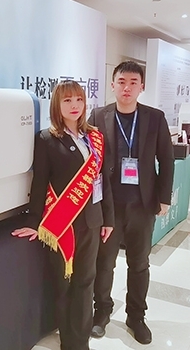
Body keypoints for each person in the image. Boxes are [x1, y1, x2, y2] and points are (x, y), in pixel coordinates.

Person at [12, 80, 114, 350]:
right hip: (62, 225)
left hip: (92, 221)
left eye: (79, 99)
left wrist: (108, 219)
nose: (74, 105)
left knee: (86, 282)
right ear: (57, 104)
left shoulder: (95, 137)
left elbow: (102, 181)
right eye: (67, 100)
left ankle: (81, 341)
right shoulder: (47, 138)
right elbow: (40, 182)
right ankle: (69, 341)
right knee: (65, 284)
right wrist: (33, 222)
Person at [88, 61, 175, 345]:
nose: (127, 88)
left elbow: (166, 158)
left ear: (142, 87)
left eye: (133, 82)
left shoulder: (155, 117)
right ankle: (101, 312)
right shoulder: (98, 115)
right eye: (122, 82)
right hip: (109, 206)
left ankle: (136, 317)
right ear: (112, 84)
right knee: (104, 263)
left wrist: (163, 198)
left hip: (142, 204)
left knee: (139, 264)